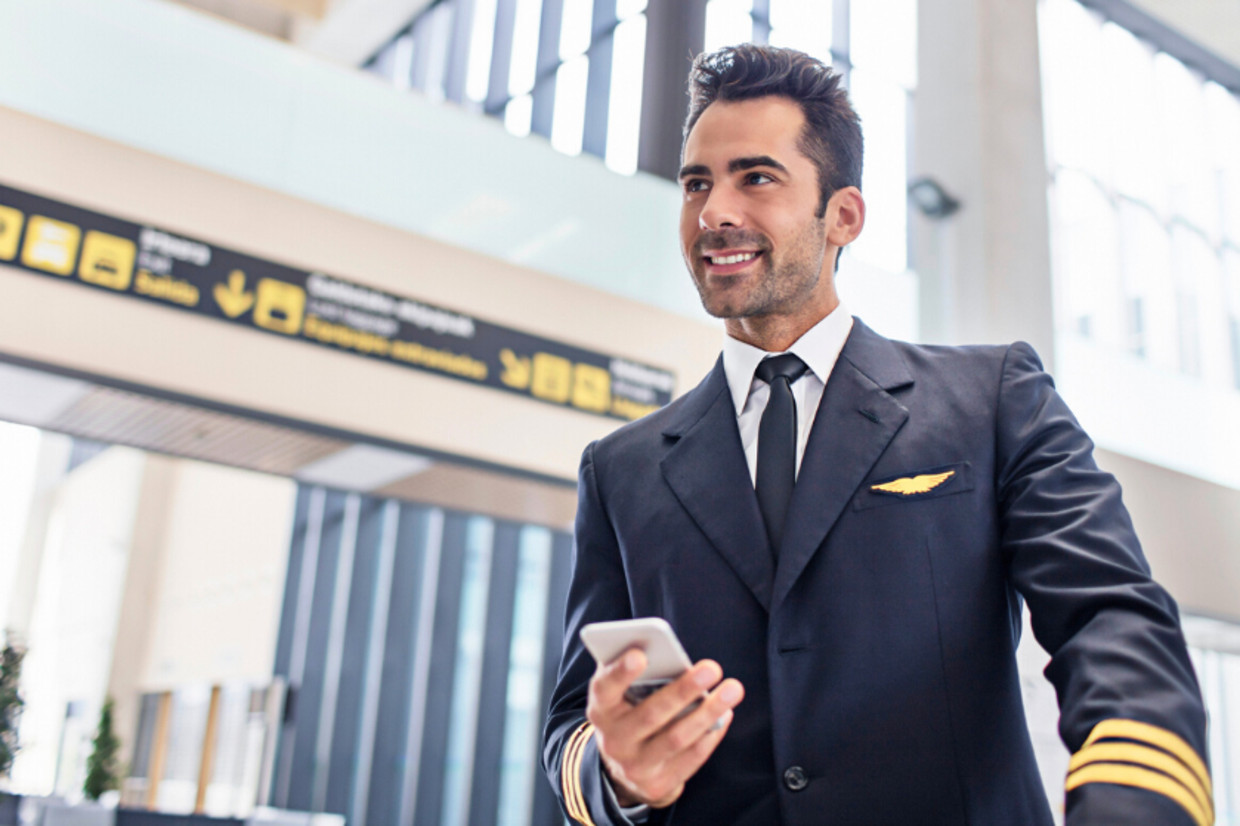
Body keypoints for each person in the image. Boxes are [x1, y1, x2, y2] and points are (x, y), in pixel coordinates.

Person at [542, 43, 1212, 826]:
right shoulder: (620, 470)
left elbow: (1109, 619)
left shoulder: (991, 399)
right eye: (697, 182)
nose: (714, 211)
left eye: (755, 177)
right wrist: (617, 773)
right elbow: (569, 735)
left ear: (844, 216)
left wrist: (1132, 810)